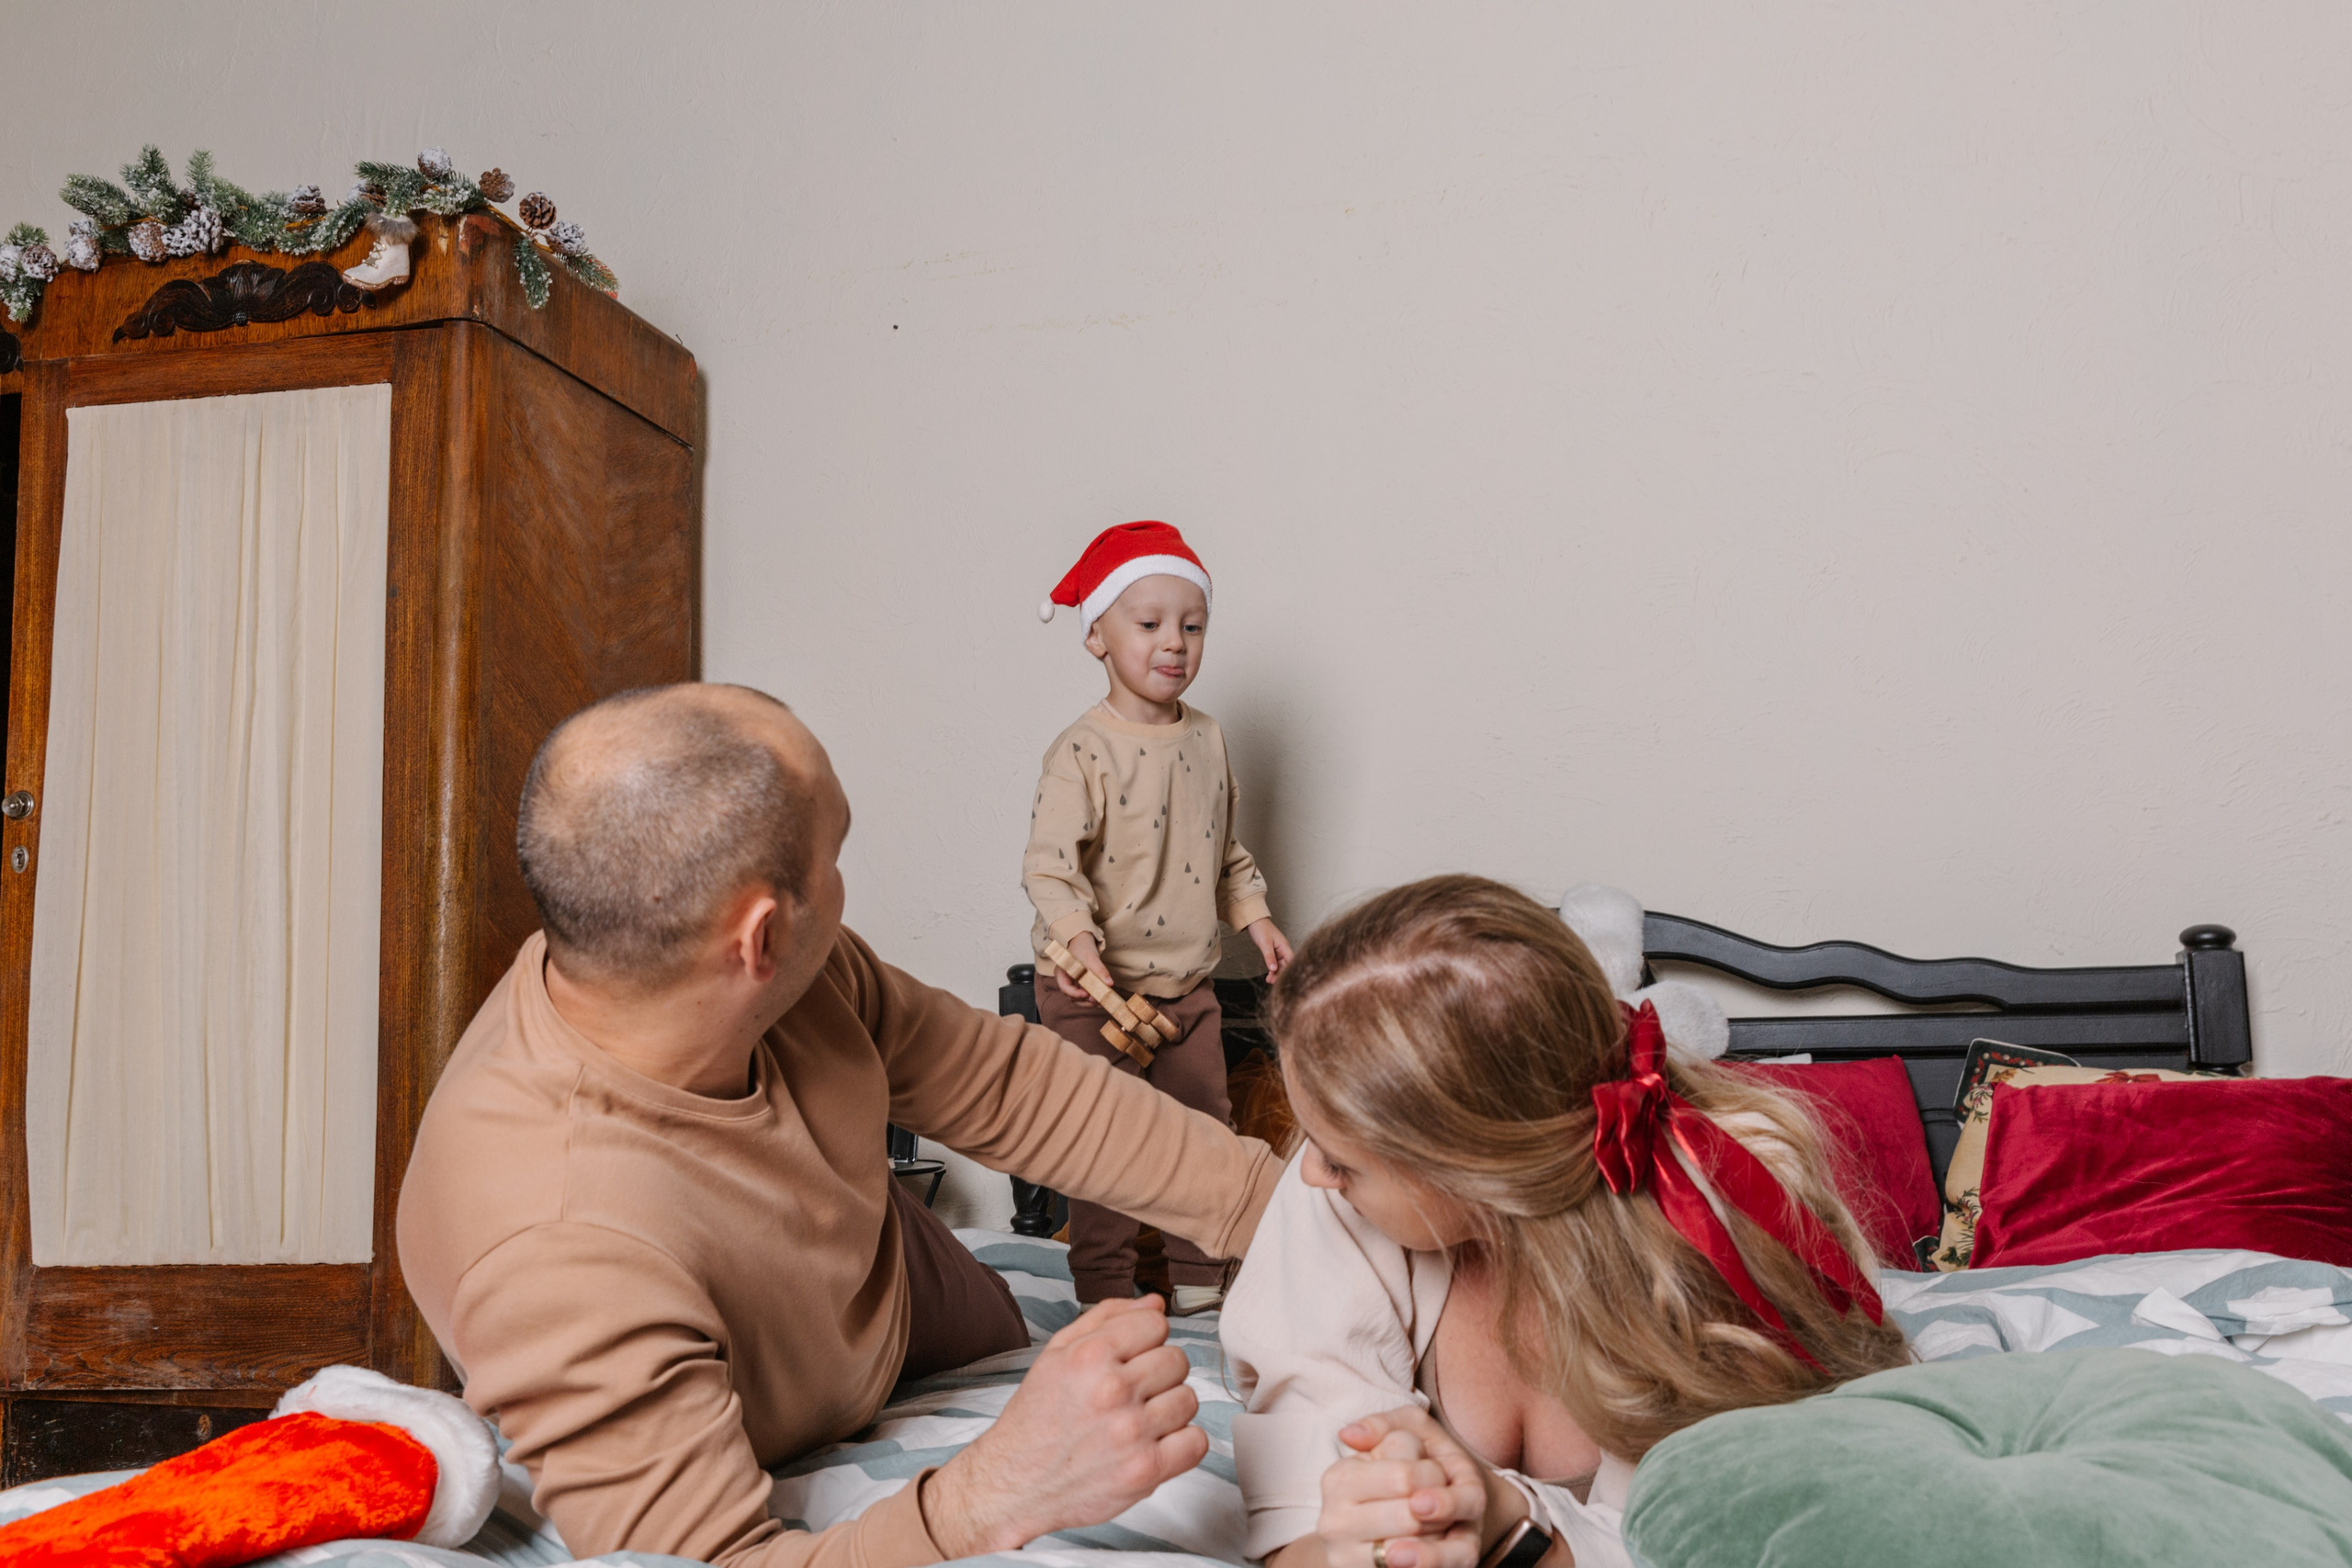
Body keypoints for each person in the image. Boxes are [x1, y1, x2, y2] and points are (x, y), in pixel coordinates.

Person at [396, 683, 1283, 1568]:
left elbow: (1009, 1085)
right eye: (837, 853)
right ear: (759, 938)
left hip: (882, 1279)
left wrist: (1284, 1213)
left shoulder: (732, 972)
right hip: (739, 1387)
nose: (845, 888)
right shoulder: (558, 1256)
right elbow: (712, 1563)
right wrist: (986, 1494)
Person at [1220, 876, 1911, 1568]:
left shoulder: (1723, 1230)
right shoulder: (1331, 1202)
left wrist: (1509, 1525)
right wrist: (1373, 1541)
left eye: (1341, 1160)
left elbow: (1710, 1541)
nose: (1313, 1172)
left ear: (1478, 1169)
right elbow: (1304, 1531)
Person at [1023, 521, 1294, 1311]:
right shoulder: (1081, 751)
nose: (1174, 641)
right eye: (1149, 623)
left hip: (1185, 983)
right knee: (1105, 1138)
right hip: (1091, 989)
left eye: (1192, 625)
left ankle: (1200, 1281)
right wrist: (1079, 939)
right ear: (1098, 637)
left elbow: (1222, 848)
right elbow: (1049, 866)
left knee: (1202, 1128)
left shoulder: (1207, 738)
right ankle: (1105, 1287)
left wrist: (1256, 917)